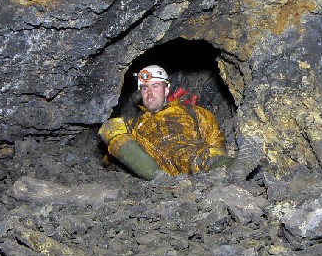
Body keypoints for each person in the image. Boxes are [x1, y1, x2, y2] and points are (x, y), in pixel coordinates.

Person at [99, 64, 262, 181]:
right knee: (110, 127)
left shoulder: (192, 112)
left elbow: (215, 139)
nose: (149, 93)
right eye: (144, 88)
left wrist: (215, 157)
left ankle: (232, 169)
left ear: (166, 90)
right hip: (157, 166)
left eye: (155, 86)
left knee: (200, 155)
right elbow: (116, 156)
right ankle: (159, 179)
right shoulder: (133, 125)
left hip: (196, 160)